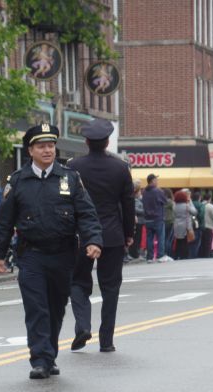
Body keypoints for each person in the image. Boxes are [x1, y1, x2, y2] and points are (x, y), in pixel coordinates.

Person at [0, 123, 103, 379]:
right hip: (31, 255)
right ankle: (39, 359)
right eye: (41, 146)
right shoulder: (18, 181)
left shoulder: (70, 178)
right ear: (30, 150)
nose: (48, 150)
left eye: (51, 145)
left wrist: (93, 240)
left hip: (63, 254)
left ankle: (48, 353)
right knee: (36, 306)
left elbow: (86, 213)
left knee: (55, 306)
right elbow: (5, 221)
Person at [68, 118, 134, 353]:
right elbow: (128, 204)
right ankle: (106, 340)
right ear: (107, 142)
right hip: (112, 234)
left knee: (77, 281)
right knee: (110, 287)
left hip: (81, 235)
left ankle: (83, 326)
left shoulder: (73, 167)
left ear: (86, 141)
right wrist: (129, 233)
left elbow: (67, 203)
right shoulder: (121, 168)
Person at [142, 173, 170, 263]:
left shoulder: (144, 192)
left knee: (149, 238)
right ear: (153, 181)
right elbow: (165, 201)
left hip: (147, 218)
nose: (157, 181)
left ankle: (149, 257)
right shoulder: (157, 191)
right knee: (160, 237)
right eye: (156, 180)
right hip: (157, 217)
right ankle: (160, 255)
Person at [173, 189, 196, 260]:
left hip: (176, 225)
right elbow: (194, 212)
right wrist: (190, 201)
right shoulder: (186, 205)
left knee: (178, 241)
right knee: (185, 241)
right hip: (185, 225)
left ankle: (177, 255)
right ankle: (184, 255)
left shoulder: (174, 206)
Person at [127, 180, 144, 259]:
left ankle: (134, 253)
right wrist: (144, 211)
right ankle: (133, 254)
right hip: (137, 220)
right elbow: (134, 209)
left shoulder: (137, 199)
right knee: (135, 238)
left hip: (138, 220)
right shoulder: (134, 199)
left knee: (137, 238)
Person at [201, 192, 213, 258]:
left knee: (202, 242)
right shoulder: (210, 206)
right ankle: (207, 255)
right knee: (208, 242)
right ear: (210, 199)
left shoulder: (201, 205)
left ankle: (201, 255)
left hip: (200, 227)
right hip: (209, 226)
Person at [189, 190, 205, 258]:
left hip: (190, 225)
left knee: (190, 242)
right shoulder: (201, 205)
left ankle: (189, 255)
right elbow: (201, 215)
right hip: (198, 226)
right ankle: (194, 256)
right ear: (199, 197)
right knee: (197, 242)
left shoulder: (190, 204)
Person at [164, 188, 175, 258]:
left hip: (163, 221)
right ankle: (168, 253)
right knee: (169, 239)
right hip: (171, 221)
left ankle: (164, 253)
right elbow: (175, 210)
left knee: (164, 238)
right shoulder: (171, 202)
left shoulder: (162, 201)